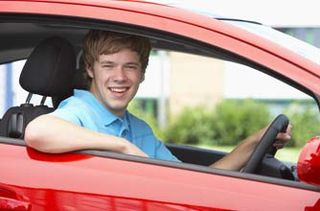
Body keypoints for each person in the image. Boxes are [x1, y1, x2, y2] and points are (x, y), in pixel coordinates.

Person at [25, 30, 291, 171]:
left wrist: (254, 141)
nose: (120, 77)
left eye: (130, 66)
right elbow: (38, 131)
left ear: (142, 73)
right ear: (91, 70)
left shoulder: (139, 129)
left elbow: (188, 180)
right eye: (108, 65)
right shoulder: (80, 109)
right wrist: (122, 147)